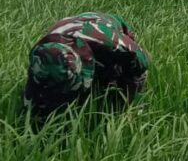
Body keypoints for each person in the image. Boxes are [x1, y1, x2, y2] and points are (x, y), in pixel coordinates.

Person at [22, 12, 150, 119]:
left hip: (105, 26)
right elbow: (33, 98)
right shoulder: (43, 55)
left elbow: (143, 63)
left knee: (116, 76)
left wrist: (130, 106)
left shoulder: (116, 45)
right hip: (73, 27)